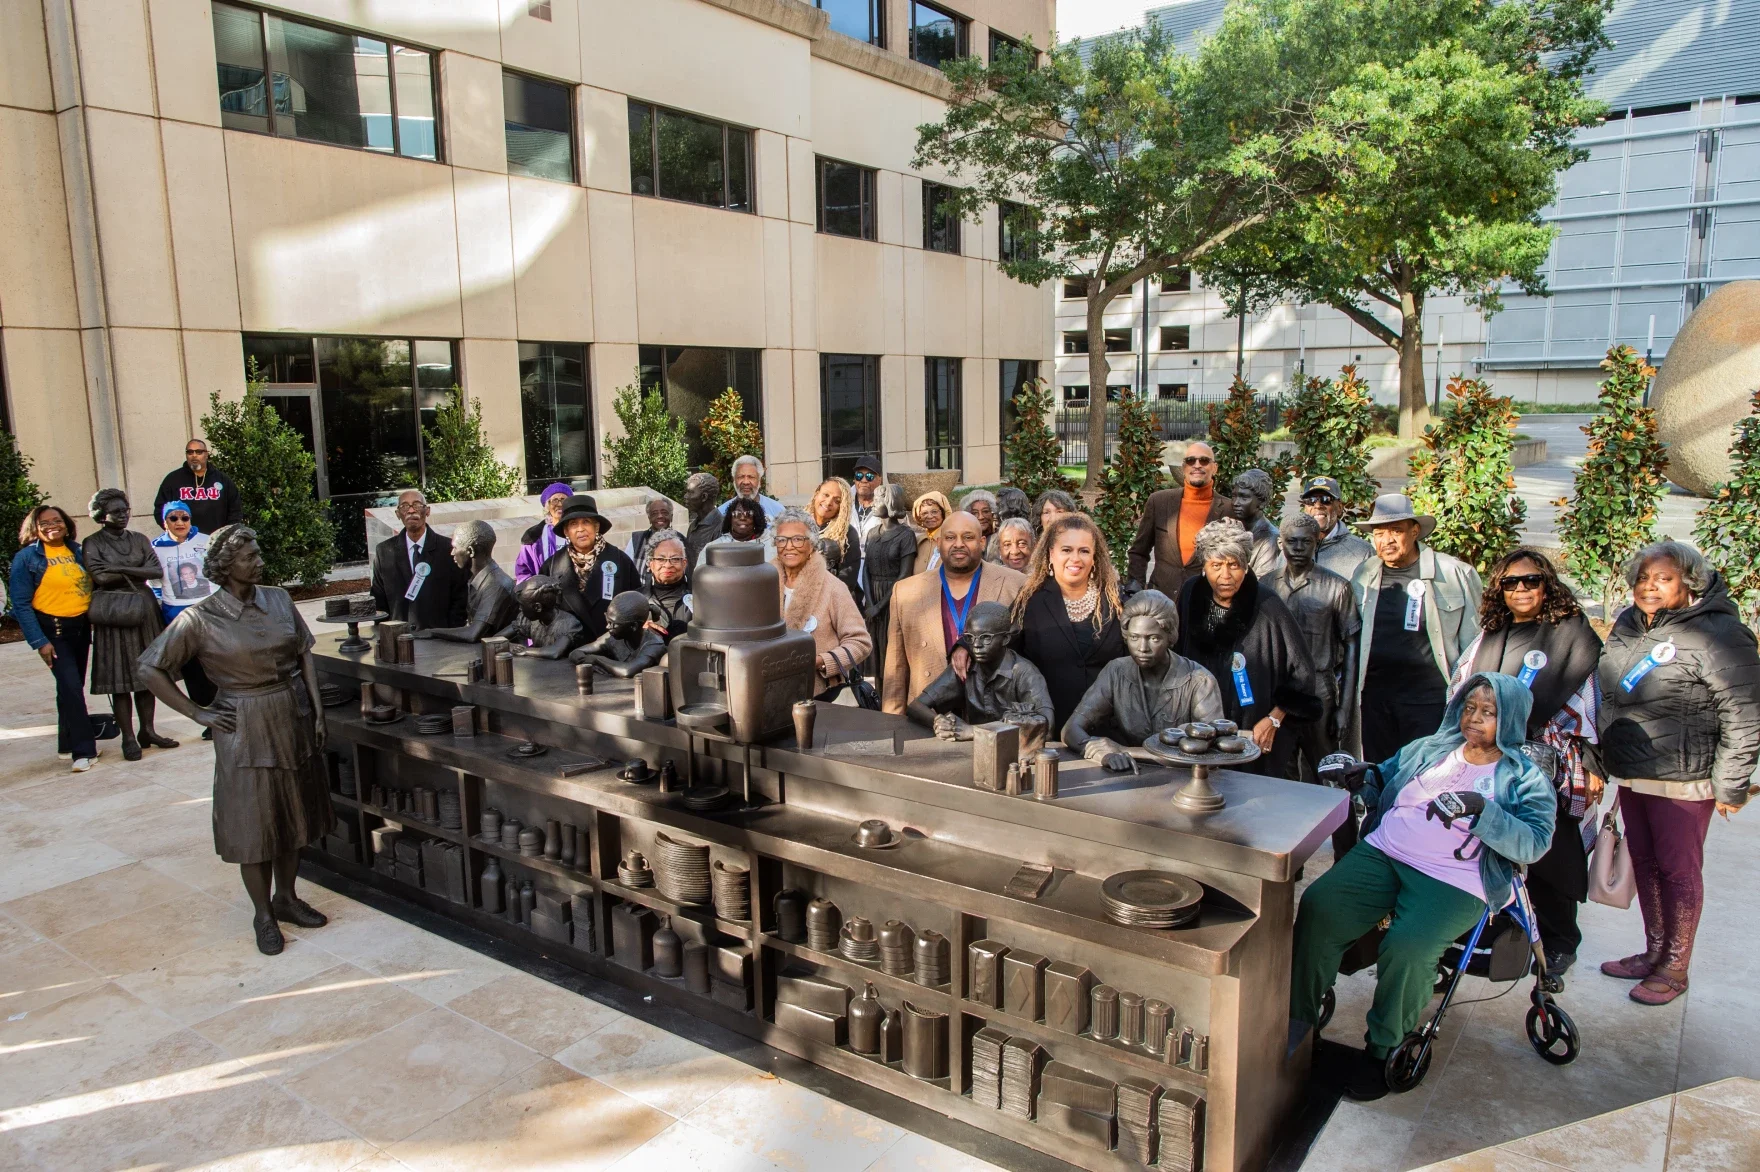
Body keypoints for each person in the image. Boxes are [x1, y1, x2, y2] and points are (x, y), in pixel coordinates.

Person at [1290, 673, 1555, 1100]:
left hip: (1456, 877)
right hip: (1387, 851)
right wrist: (1360, 776)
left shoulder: (1523, 776)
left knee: (1410, 946)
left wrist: (1482, 811)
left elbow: (1536, 841)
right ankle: (1297, 1024)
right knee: (1320, 906)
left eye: (1489, 712)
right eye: (1470, 707)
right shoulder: (1431, 748)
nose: (1474, 718)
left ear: (1510, 720)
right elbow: (1384, 779)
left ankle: (1383, 1050)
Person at [137, 524, 335, 957]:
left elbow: (304, 654)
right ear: (226, 567)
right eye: (249, 557)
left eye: (258, 553)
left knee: (294, 814)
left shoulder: (279, 598)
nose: (259, 561)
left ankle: (287, 897)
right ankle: (263, 914)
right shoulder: (200, 618)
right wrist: (198, 712)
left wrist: (318, 712)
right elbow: (149, 668)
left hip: (292, 714)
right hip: (244, 725)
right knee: (255, 823)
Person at [1596, 542, 1760, 1006]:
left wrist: (1731, 784)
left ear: (1688, 582)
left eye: (1663, 578)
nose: (1649, 586)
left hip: (1685, 778)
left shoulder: (1722, 633)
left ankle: (1675, 967)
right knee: (1645, 864)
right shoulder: (1631, 623)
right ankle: (1653, 952)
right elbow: (1608, 690)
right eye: (1644, 577)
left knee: (1679, 870)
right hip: (1634, 770)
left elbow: (1744, 714)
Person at [1448, 548, 1603, 983]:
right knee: (1496, 838)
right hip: (1493, 753)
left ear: (1546, 583)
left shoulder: (1572, 634)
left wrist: (1593, 761)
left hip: (1548, 757)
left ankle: (1557, 942)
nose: (1520, 589)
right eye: (1510, 582)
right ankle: (1503, 928)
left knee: (1549, 849)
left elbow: (1592, 700)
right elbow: (1464, 682)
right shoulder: (1493, 632)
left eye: (1531, 580)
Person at [1175, 519, 1321, 777]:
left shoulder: (1268, 604)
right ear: (1203, 567)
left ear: (1246, 565)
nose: (1225, 575)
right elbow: (1174, 654)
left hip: (1250, 732)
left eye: (1234, 565)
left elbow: (1303, 673)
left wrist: (1274, 719)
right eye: (1216, 566)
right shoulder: (1190, 594)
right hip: (1196, 725)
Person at [1350, 494, 1482, 763]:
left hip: (1430, 701)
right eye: (1379, 533)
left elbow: (1477, 643)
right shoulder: (1364, 573)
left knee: (1425, 775)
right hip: (1375, 700)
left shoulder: (1455, 573)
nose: (1387, 540)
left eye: (1396, 531)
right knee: (1379, 774)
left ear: (1415, 531)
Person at [1265, 513, 1361, 852]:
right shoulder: (1265, 585)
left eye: (1306, 540)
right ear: (1281, 543)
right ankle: (1290, 854)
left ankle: (1346, 853)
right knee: (1282, 778)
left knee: (1331, 776)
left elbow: (1352, 651)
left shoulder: (1337, 587)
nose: (1299, 548)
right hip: (1280, 696)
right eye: (1292, 541)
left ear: (1317, 541)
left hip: (1320, 693)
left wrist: (1344, 710)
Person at [882, 511, 1026, 714]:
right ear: (939, 542)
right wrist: (893, 722)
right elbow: (895, 669)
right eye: (950, 538)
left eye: (968, 537)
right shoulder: (906, 591)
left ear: (982, 542)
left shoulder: (1015, 584)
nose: (959, 544)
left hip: (994, 714)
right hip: (927, 714)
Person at [1064, 590, 1224, 770]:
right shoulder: (1116, 671)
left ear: (1170, 637)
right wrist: (1103, 753)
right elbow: (1071, 729)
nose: (1142, 648)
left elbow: (1211, 752)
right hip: (1132, 778)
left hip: (1187, 783)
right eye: (1134, 637)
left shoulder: (1199, 681)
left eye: (1153, 638)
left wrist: (1125, 751)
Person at [1011, 513, 1126, 734]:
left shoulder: (1115, 601)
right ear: (1051, 554)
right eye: (1067, 550)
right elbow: (1001, 637)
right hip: (1050, 729)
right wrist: (964, 648)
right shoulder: (1030, 602)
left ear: (1094, 557)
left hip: (1108, 731)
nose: (1076, 558)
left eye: (1084, 551)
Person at [84, 489, 176, 761]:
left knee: (147, 674)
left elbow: (155, 571)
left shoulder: (139, 539)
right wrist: (134, 571)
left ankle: (148, 730)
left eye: (126, 510)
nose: (124, 515)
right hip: (113, 611)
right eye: (117, 511)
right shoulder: (93, 542)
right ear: (101, 515)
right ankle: (128, 737)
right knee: (120, 678)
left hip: (144, 608)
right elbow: (100, 577)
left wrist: (121, 570)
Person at [10, 505, 100, 772]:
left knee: (69, 687)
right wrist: (39, 642)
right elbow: (21, 604)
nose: (52, 525)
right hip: (53, 631)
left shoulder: (77, 551)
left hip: (80, 628)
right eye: (45, 522)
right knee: (72, 686)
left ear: (66, 523)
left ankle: (66, 742)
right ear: (35, 528)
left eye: (57, 520)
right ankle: (84, 751)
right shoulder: (28, 558)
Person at [908, 601, 1054, 749]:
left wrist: (973, 731)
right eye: (970, 637)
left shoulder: (1025, 673)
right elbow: (915, 706)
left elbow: (1046, 728)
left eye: (986, 637)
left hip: (1014, 757)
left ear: (1006, 639)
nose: (976, 645)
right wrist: (938, 721)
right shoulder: (966, 666)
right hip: (973, 752)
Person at [771, 508, 871, 699]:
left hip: (820, 694)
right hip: (771, 691)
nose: (789, 546)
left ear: (812, 544)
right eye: (781, 540)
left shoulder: (833, 588)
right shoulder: (763, 584)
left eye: (798, 539)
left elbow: (861, 643)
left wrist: (819, 662)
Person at [1126, 440, 1230, 597]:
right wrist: (1136, 589)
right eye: (1190, 461)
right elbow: (1139, 552)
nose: (1197, 465)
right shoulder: (1159, 502)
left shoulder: (1229, 509)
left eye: (1204, 460)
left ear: (1214, 468)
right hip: (1161, 600)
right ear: (1184, 467)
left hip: (1205, 601)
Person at [540, 495, 642, 642]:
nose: (580, 529)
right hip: (567, 651)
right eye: (573, 524)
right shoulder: (551, 566)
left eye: (586, 522)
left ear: (596, 526)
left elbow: (636, 604)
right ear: (566, 531)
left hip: (612, 650)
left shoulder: (620, 561)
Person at [149, 501, 217, 710]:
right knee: (192, 667)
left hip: (209, 610)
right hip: (177, 615)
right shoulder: (155, 549)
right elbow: (154, 584)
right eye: (174, 518)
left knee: (215, 662)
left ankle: (226, 708)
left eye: (184, 518)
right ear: (165, 522)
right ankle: (206, 713)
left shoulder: (205, 541)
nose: (180, 522)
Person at [370, 489, 468, 630]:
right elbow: (379, 602)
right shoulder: (384, 552)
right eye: (404, 506)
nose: (411, 510)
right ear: (398, 514)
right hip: (399, 636)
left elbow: (460, 597)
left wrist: (450, 633)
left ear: (427, 511)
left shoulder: (449, 549)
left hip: (438, 637)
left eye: (416, 505)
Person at [410, 520, 517, 643]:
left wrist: (431, 632)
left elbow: (473, 633)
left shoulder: (496, 585)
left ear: (470, 551)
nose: (452, 553)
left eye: (455, 547)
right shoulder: (476, 579)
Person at [863, 485, 920, 696]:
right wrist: (870, 603)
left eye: (878, 500)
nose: (873, 503)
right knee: (875, 650)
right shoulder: (871, 533)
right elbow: (865, 570)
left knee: (891, 650)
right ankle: (877, 697)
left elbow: (904, 576)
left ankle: (895, 698)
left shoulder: (906, 535)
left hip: (894, 598)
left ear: (891, 503)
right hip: (873, 597)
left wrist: (880, 606)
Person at [152, 437, 242, 538]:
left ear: (206, 454)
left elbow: (235, 510)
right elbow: (160, 510)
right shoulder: (172, 480)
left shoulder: (223, 480)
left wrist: (227, 535)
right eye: (190, 452)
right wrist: (176, 533)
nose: (194, 455)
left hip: (217, 542)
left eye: (199, 452)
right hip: (184, 543)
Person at [570, 590, 667, 677]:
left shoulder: (654, 644)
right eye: (607, 621)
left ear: (633, 626)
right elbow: (575, 653)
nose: (608, 627)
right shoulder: (611, 637)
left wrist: (597, 660)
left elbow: (628, 671)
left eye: (613, 624)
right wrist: (588, 662)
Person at [1300, 476, 1373, 581]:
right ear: (1305, 508)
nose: (1318, 505)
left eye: (1326, 500)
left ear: (1339, 508)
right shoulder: (1291, 545)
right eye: (1311, 500)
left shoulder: (1363, 552)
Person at [810, 477, 865, 607]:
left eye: (837, 500)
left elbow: (847, 580)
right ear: (817, 493)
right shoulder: (797, 524)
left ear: (842, 506)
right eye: (826, 495)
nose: (829, 502)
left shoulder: (847, 534)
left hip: (832, 605)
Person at [498, 574, 582, 659]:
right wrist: (509, 646)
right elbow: (495, 639)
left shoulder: (569, 624)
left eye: (522, 605)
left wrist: (524, 650)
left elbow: (555, 652)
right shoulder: (527, 620)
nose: (520, 609)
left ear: (537, 607)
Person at [514, 483, 573, 582]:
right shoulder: (534, 537)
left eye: (563, 500)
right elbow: (523, 571)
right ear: (548, 506)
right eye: (554, 500)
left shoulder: (579, 532)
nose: (559, 504)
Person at [641, 530, 693, 642]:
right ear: (651, 564)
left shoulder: (701, 597)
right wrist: (639, 631)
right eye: (660, 559)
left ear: (684, 563)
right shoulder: (637, 600)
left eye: (675, 559)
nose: (668, 565)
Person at [1229, 468, 1282, 578]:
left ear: (1262, 502)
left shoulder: (1270, 539)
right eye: (1234, 496)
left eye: (1244, 497)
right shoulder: (1232, 530)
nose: (1236, 503)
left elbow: (1263, 581)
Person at [698, 496, 775, 569]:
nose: (742, 518)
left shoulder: (772, 544)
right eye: (737, 514)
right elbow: (700, 576)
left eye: (748, 514)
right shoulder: (713, 548)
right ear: (730, 520)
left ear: (756, 519)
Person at [717, 455, 784, 521]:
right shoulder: (720, 514)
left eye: (751, 477)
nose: (746, 482)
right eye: (741, 476)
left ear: (759, 481)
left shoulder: (778, 511)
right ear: (734, 480)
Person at [626, 498, 675, 581]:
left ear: (671, 516)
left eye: (664, 512)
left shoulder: (681, 541)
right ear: (649, 518)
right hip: (641, 592)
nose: (660, 516)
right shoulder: (636, 540)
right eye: (654, 513)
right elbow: (626, 569)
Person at [681, 472, 723, 570]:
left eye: (690, 492)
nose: (685, 496)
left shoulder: (722, 527)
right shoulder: (692, 526)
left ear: (704, 497)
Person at [912, 490, 954, 575]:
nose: (930, 516)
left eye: (934, 512)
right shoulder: (917, 541)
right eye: (924, 513)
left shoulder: (950, 539)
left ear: (943, 513)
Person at [987, 488, 1031, 561]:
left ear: (1015, 509)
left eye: (1000, 506)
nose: (994, 511)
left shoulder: (1034, 540)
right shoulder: (990, 541)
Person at [851, 457, 883, 544]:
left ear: (879, 480)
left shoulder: (888, 504)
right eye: (859, 476)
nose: (863, 480)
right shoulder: (843, 501)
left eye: (869, 476)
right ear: (854, 479)